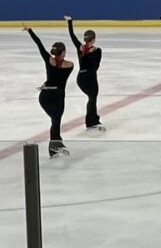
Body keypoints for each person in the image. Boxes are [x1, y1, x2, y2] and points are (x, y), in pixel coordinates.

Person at [23, 26, 73, 158]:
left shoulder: (48, 59)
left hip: (44, 96)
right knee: (56, 121)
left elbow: (39, 43)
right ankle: (56, 145)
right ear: (62, 53)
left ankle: (54, 147)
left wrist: (30, 31)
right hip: (57, 96)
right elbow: (59, 77)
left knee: (55, 121)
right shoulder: (70, 65)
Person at [64, 15, 104, 131]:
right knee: (92, 99)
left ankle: (93, 120)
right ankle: (91, 122)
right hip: (90, 78)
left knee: (91, 99)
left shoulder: (80, 48)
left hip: (81, 78)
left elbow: (72, 35)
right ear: (93, 39)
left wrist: (70, 22)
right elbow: (96, 66)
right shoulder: (97, 50)